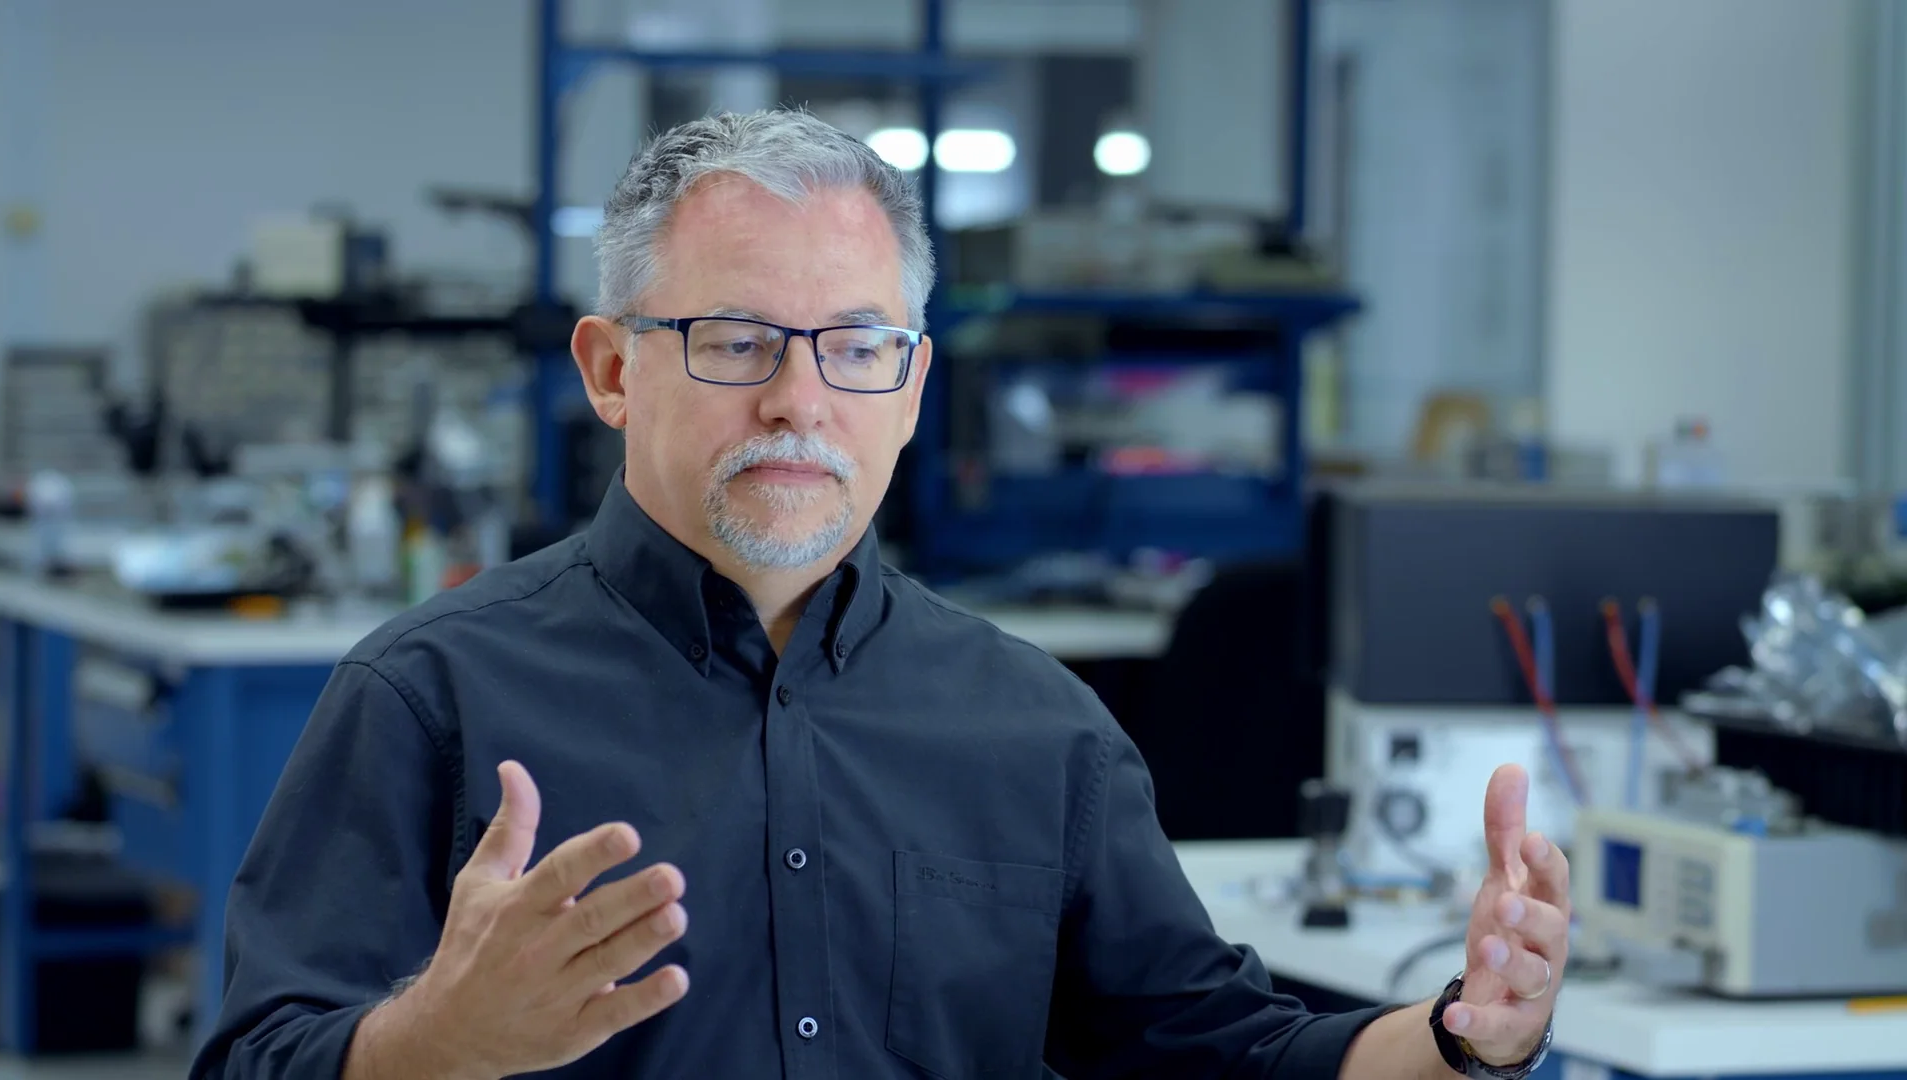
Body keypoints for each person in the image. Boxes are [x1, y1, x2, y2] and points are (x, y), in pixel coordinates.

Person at [190, 108, 1569, 1080]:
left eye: (856, 347)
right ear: (612, 371)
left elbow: (1210, 1051)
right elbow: (255, 1059)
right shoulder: (428, 699)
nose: (799, 401)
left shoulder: (1040, 728)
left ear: (909, 387)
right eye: (735, 342)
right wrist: (436, 1047)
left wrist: (1461, 1037)